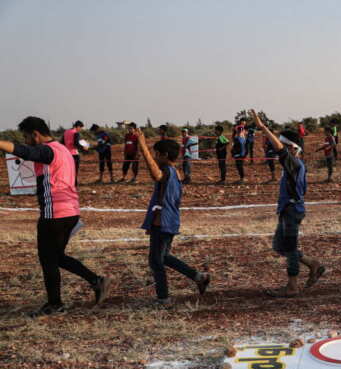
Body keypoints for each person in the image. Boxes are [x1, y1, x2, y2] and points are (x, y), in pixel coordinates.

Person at [0, 117, 111, 315]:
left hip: (55, 214)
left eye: (26, 136)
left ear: (35, 134)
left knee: (48, 259)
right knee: (56, 257)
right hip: (71, 211)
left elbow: (25, 151)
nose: (25, 141)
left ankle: (55, 304)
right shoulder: (63, 149)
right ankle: (97, 281)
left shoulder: (48, 149)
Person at [250, 110, 325, 297]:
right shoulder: (292, 164)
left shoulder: (294, 164)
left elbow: (280, 150)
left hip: (292, 210)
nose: (279, 148)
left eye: (284, 145)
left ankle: (292, 286)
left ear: (293, 148)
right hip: (287, 209)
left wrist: (263, 128)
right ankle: (313, 264)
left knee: (290, 248)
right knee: (280, 246)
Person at [135, 128, 210, 306]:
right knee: (164, 257)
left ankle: (163, 299)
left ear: (164, 155)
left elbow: (155, 173)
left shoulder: (168, 171)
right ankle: (199, 277)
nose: (155, 158)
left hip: (164, 222)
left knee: (156, 262)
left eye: (157, 155)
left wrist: (142, 146)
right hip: (167, 221)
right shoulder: (174, 172)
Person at [61, 121, 84, 185]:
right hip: (74, 154)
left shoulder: (66, 132)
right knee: (75, 170)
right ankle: (74, 184)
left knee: (68, 170)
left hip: (67, 154)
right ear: (78, 126)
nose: (80, 130)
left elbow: (62, 143)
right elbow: (76, 144)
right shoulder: (76, 133)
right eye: (81, 128)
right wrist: (83, 147)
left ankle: (68, 183)